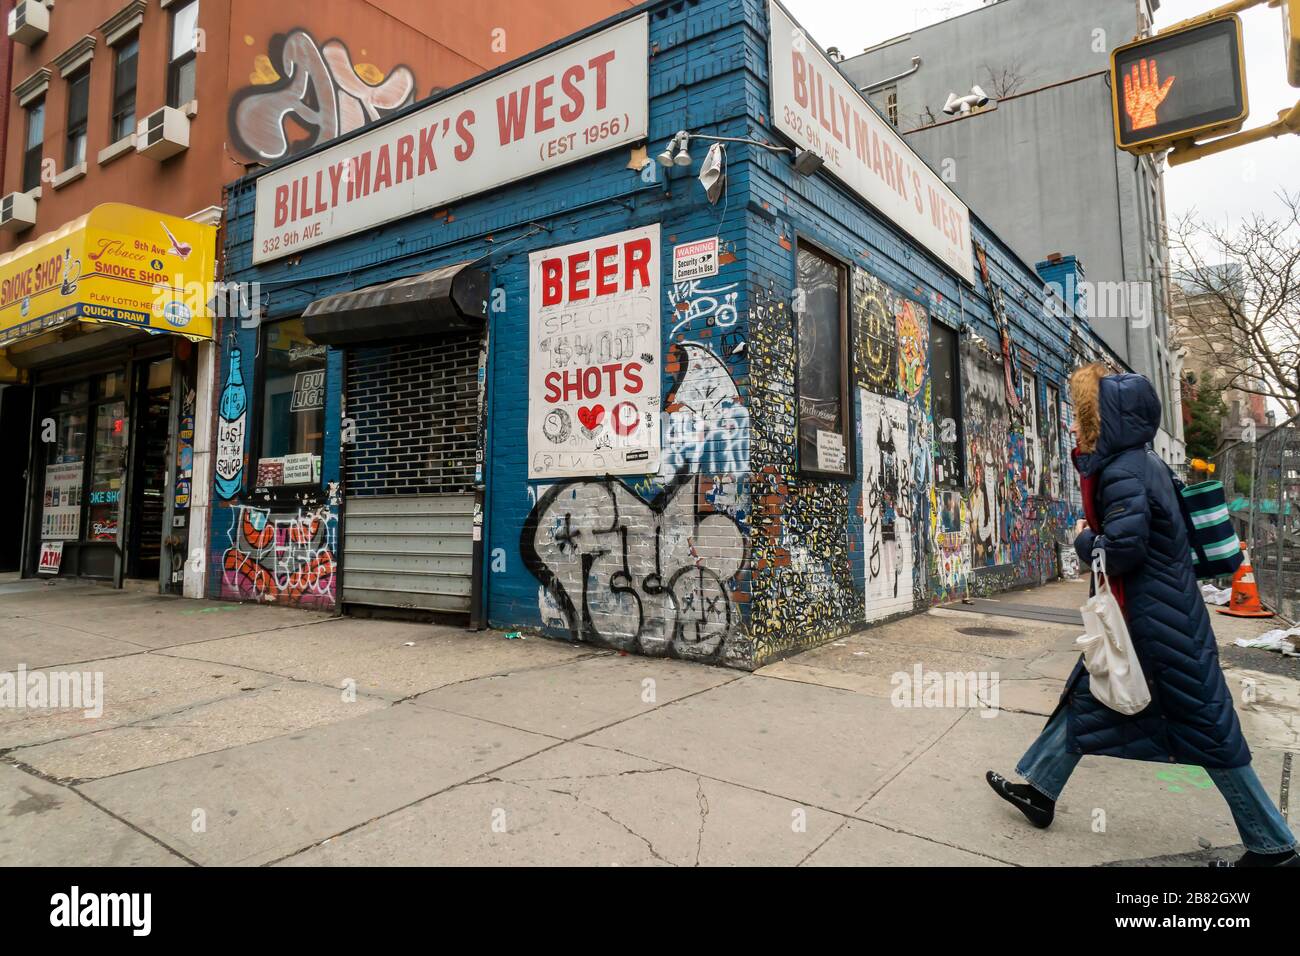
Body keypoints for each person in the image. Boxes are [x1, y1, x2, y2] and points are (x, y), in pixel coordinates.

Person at [986, 364, 1298, 867]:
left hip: (1155, 628)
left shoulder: (1122, 470)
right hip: (1154, 617)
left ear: (1107, 419)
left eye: (1083, 416)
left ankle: (1273, 844)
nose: (1073, 425)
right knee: (1087, 699)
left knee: (1206, 730)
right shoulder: (1142, 462)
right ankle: (1040, 790)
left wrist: (1086, 542)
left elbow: (1124, 549)